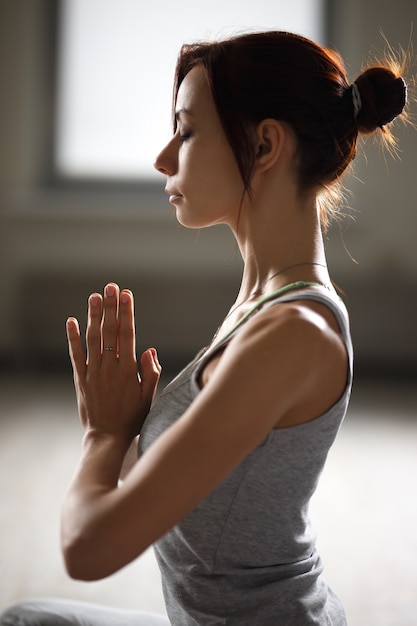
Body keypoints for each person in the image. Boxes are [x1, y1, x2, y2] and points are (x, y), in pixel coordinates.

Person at [1, 30, 408, 626]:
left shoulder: (293, 332)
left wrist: (103, 439)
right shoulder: (262, 301)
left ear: (265, 144)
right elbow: (181, 499)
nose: (164, 158)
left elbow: (87, 549)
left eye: (187, 131)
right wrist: (133, 430)